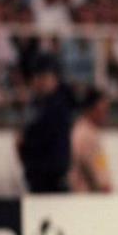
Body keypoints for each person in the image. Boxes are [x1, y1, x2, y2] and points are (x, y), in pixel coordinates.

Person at [16, 52, 74, 193]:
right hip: (37, 176)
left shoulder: (59, 104)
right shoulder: (36, 104)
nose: (40, 82)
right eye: (37, 77)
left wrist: (25, 142)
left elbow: (43, 137)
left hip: (53, 177)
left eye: (44, 77)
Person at [69, 87, 112, 192]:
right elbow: (91, 169)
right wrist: (104, 188)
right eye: (102, 111)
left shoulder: (90, 132)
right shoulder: (84, 134)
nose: (105, 116)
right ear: (91, 109)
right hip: (89, 195)